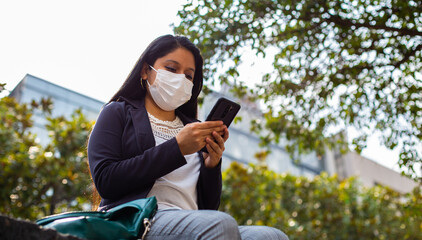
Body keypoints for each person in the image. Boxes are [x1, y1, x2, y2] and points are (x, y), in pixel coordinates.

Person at [87, 34, 289, 240]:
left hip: (191, 221)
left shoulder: (194, 129)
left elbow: (208, 207)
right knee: (221, 224)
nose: (180, 79)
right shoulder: (117, 111)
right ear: (146, 70)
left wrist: (212, 166)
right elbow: (106, 180)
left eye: (189, 76)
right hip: (137, 221)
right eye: (172, 69)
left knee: (271, 235)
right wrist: (177, 148)